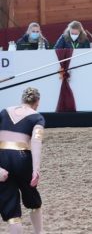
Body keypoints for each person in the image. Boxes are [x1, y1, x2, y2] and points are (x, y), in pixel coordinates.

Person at [0, 87, 45, 234]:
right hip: (22, 159)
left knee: (12, 213)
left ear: (22, 99)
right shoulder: (37, 117)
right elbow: (36, 143)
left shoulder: (4, 112)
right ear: (37, 102)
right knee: (33, 202)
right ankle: (39, 232)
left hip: (2, 159)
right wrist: (36, 170)